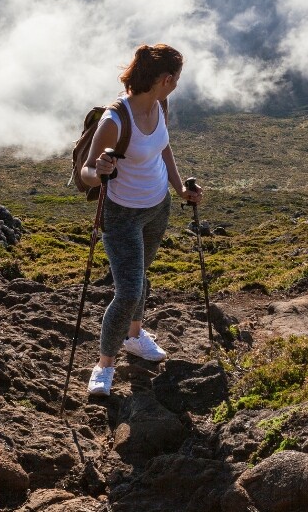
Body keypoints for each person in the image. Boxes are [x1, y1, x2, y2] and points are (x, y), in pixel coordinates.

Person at [80, 43, 202, 396]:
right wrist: (98, 170)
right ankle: (104, 364)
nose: (177, 84)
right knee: (130, 289)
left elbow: (164, 148)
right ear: (165, 79)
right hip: (121, 214)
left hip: (156, 207)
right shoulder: (115, 119)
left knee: (141, 276)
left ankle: (134, 336)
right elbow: (87, 173)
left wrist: (179, 189)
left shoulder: (159, 105)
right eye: (176, 78)